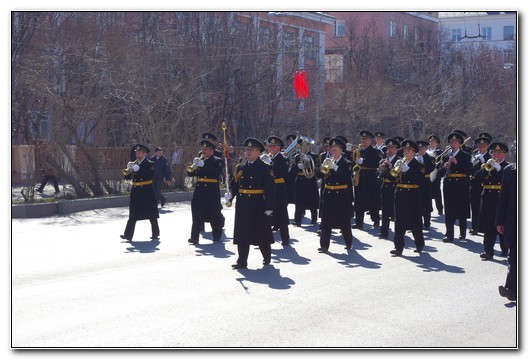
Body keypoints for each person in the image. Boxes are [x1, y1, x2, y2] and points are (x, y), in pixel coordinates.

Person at [227, 138, 275, 269]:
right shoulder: (240, 167)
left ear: (258, 152)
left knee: (261, 233)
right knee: (242, 233)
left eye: (251, 150)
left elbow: (270, 190)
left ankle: (266, 256)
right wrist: (230, 196)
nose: (248, 152)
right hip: (243, 204)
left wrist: (269, 208)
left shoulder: (265, 168)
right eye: (247, 149)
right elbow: (234, 185)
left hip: (258, 204)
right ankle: (242, 261)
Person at [318, 137, 353, 253]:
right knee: (326, 221)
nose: (333, 152)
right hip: (328, 194)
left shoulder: (347, 163)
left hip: (341, 194)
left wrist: (336, 168)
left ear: (341, 150)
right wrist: (321, 168)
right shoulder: (327, 161)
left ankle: (348, 242)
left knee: (344, 221)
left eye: (336, 149)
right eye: (332, 149)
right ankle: (324, 246)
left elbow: (347, 179)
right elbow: (320, 176)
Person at [186, 139, 225, 244]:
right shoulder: (200, 160)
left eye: (206, 149)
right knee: (196, 213)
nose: (204, 151)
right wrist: (194, 165)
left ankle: (217, 235)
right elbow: (190, 174)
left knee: (214, 214)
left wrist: (204, 165)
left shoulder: (217, 160)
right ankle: (194, 237)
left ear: (211, 150)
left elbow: (216, 172)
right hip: (199, 191)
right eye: (203, 149)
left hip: (211, 191)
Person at [475, 142, 510, 260]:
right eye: (494, 153)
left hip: (501, 198)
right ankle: (488, 251)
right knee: (488, 225)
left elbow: (510, 184)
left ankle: (505, 248)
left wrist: (500, 169)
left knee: (502, 224)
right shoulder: (487, 165)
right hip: (488, 198)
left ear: (504, 155)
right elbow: (476, 178)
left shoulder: (508, 167)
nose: (496, 155)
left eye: (499, 153)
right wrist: (486, 168)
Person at [390, 140, 425, 256]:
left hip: (412, 195)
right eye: (404, 150)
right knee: (399, 221)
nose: (405, 152)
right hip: (400, 194)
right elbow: (391, 178)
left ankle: (419, 244)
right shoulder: (399, 162)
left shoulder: (419, 165)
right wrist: (393, 170)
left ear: (414, 152)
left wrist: (408, 170)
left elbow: (420, 181)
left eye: (408, 150)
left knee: (415, 221)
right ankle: (398, 247)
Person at [120, 144, 160, 241]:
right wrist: (129, 170)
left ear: (144, 154)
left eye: (139, 153)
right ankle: (128, 235)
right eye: (137, 153)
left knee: (151, 213)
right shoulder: (135, 164)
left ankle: (155, 233)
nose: (137, 155)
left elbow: (150, 175)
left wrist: (139, 169)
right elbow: (128, 177)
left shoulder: (150, 163)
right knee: (133, 212)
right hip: (136, 191)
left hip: (147, 191)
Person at [441, 132, 473, 243]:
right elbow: (441, 172)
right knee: (449, 209)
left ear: (460, 144)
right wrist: (444, 167)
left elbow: (469, 171)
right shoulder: (446, 155)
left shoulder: (465, 155)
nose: (453, 144)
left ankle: (462, 232)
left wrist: (457, 163)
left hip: (461, 184)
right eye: (451, 142)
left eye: (455, 142)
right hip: (449, 184)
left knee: (461, 208)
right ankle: (449, 235)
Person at [352, 130, 383, 229]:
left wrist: (364, 161)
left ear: (370, 140)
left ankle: (376, 220)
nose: (363, 141)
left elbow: (375, 164)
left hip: (370, 178)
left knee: (372, 200)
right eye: (362, 139)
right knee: (358, 201)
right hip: (360, 178)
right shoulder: (358, 151)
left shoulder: (375, 152)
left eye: (365, 139)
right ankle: (359, 222)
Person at [496, 162, 517, 301]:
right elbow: (503, 198)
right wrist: (500, 221)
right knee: (514, 255)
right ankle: (511, 289)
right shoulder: (509, 170)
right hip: (513, 220)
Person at [266, 136, 291, 246]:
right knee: (268, 213)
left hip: (279, 188)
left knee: (281, 213)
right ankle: (265, 239)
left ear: (279, 147)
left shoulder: (283, 159)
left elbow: (281, 173)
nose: (272, 148)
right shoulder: (267, 158)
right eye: (271, 146)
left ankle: (285, 238)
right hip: (269, 188)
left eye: (274, 146)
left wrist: (269, 165)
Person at [377, 138, 400, 239]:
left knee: (396, 211)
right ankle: (384, 232)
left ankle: (398, 232)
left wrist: (390, 166)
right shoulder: (384, 160)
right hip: (385, 186)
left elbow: (397, 175)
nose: (390, 150)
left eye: (392, 148)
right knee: (385, 210)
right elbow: (381, 175)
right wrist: (381, 169)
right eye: (388, 148)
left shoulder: (398, 160)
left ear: (396, 149)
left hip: (394, 186)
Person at [293, 140, 320, 226]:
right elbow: (292, 170)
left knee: (313, 200)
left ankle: (314, 219)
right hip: (300, 180)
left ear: (309, 146)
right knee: (299, 201)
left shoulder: (314, 156)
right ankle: (297, 220)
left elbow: (316, 168)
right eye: (301, 146)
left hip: (310, 180)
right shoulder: (297, 157)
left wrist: (306, 165)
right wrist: (298, 166)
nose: (303, 148)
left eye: (305, 145)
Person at [469, 136, 492, 235]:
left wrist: (483, 161)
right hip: (474, 184)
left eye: (483, 146)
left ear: (487, 146)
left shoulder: (490, 158)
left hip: (483, 185)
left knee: (483, 207)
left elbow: (489, 171)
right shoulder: (474, 155)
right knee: (474, 206)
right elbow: (469, 168)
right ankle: (474, 227)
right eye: (479, 145)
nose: (481, 147)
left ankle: (482, 227)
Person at [416, 140, 435, 230]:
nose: (420, 150)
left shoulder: (430, 158)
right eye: (419, 148)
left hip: (426, 182)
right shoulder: (414, 157)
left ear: (426, 148)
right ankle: (417, 223)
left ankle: (427, 223)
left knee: (426, 203)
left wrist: (421, 165)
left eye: (422, 148)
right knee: (416, 203)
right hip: (416, 182)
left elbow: (431, 168)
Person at [427, 135, 444, 215]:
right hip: (428, 173)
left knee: (437, 191)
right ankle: (429, 208)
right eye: (430, 141)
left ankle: (440, 208)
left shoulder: (440, 152)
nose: (431, 143)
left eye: (433, 141)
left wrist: (438, 166)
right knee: (428, 192)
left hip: (436, 173)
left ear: (437, 143)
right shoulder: (427, 152)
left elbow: (442, 163)